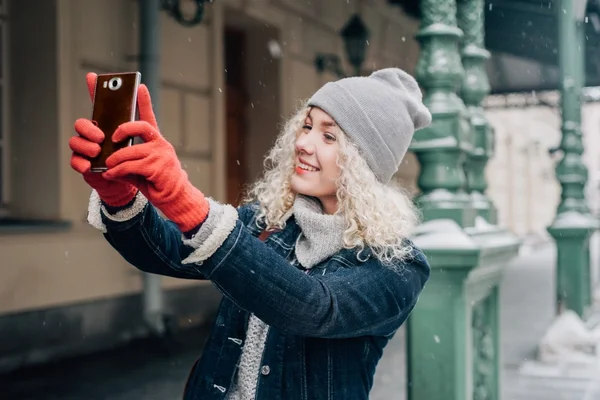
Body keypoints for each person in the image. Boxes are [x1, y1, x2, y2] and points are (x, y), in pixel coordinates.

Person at [69, 67, 432, 400]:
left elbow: (314, 306)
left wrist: (187, 202)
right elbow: (164, 251)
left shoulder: (397, 265)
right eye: (307, 126)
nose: (304, 143)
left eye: (329, 136)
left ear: (363, 162)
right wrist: (119, 196)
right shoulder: (266, 222)